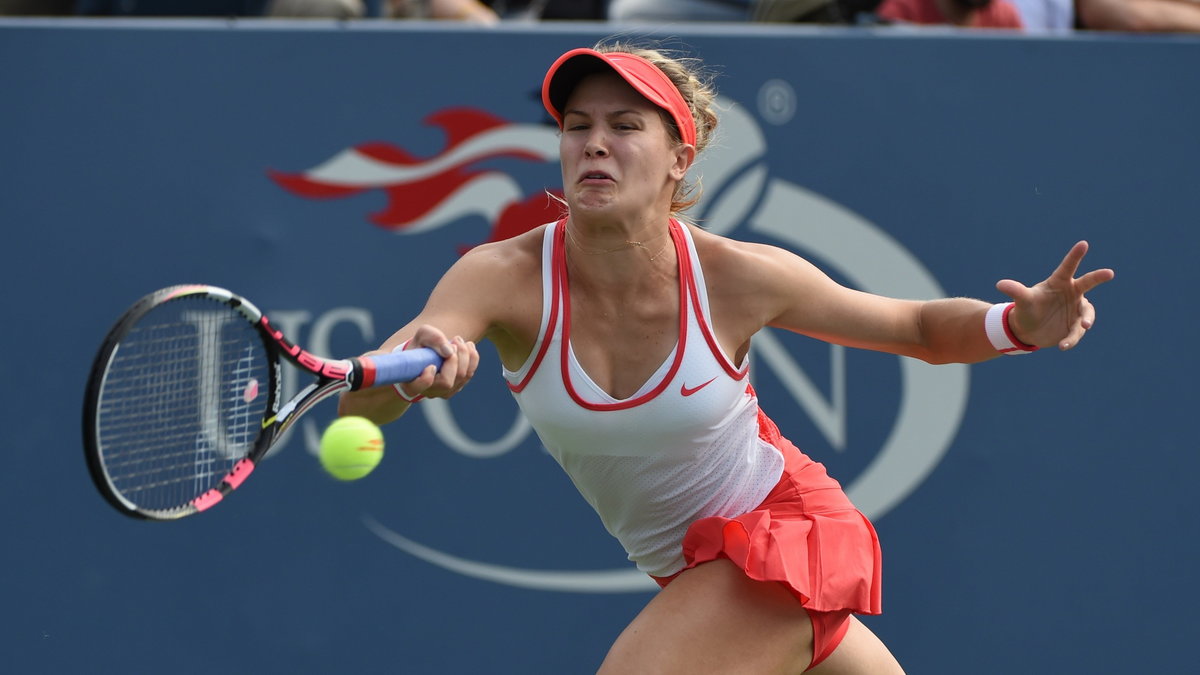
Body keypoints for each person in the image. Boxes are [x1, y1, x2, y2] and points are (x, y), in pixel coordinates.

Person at [338, 41, 1114, 673]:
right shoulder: (499, 278)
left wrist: (1017, 322)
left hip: (786, 532)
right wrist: (411, 377)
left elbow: (915, 327)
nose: (595, 143)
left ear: (680, 156)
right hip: (698, 574)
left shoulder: (738, 277)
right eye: (576, 126)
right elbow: (361, 400)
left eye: (625, 125)